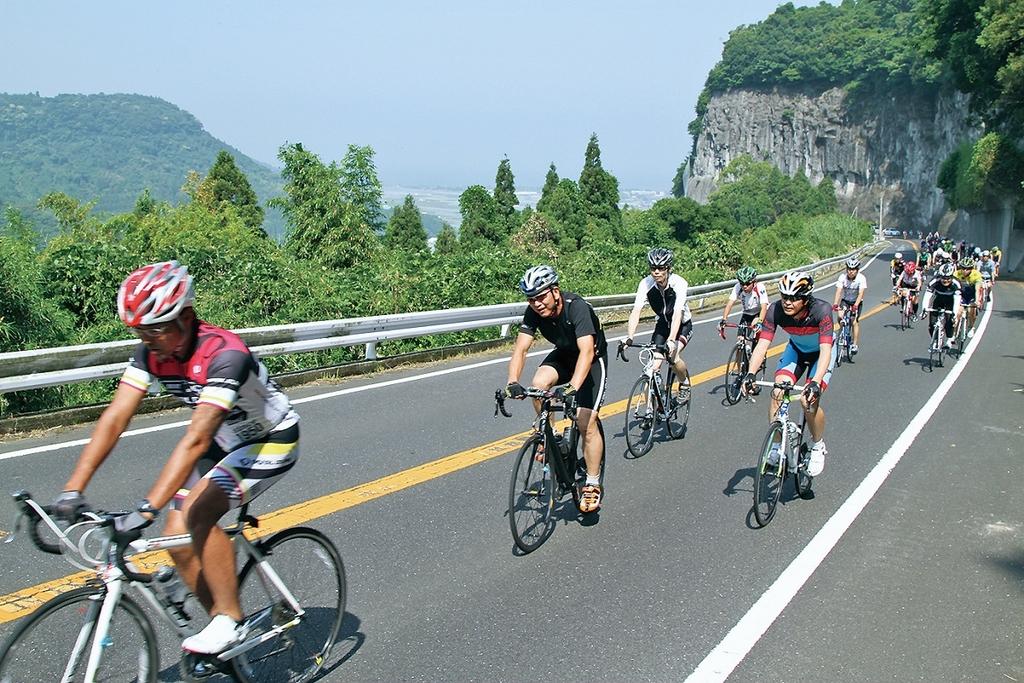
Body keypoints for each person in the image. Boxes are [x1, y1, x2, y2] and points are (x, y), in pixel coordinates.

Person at [54, 261, 300, 655]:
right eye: (138, 331)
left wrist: (146, 510)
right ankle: (222, 630)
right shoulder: (152, 353)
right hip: (226, 442)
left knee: (195, 515)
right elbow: (116, 417)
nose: (147, 340)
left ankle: (230, 622)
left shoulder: (224, 354)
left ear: (185, 317)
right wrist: (72, 489)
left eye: (155, 329)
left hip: (271, 440)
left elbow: (195, 439)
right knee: (176, 537)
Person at [505, 265, 608, 513]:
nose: (537, 304)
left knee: (586, 422)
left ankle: (592, 484)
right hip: (564, 355)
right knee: (537, 386)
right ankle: (551, 436)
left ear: (555, 291)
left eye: (541, 296)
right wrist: (511, 382)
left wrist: (572, 387)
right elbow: (521, 349)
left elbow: (585, 352)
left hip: (591, 361)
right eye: (531, 299)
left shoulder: (577, 307)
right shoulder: (534, 313)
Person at [743, 271, 835, 477]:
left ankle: (818, 445)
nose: (788, 302)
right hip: (796, 350)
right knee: (777, 392)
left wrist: (816, 382)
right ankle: (776, 447)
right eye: (785, 296)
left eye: (794, 298)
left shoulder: (822, 310)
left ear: (806, 298)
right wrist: (750, 373)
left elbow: (827, 351)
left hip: (821, 354)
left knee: (808, 401)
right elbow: (762, 346)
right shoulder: (775, 310)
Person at [626, 248, 693, 386]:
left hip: (682, 325)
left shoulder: (679, 283)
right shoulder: (646, 283)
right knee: (651, 368)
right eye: (653, 268)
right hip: (662, 325)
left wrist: (671, 340)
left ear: (668, 268)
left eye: (661, 268)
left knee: (672, 357)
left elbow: (677, 313)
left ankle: (684, 382)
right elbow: (636, 311)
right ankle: (652, 406)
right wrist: (629, 337)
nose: (656, 272)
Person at [718, 265, 768, 341]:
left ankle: (757, 346)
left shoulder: (760, 287)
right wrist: (724, 320)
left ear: (754, 282)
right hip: (747, 313)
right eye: (742, 283)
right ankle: (741, 350)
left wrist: (760, 322)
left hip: (759, 313)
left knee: (756, 328)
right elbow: (730, 304)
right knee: (740, 339)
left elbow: (764, 307)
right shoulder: (737, 287)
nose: (744, 286)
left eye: (748, 284)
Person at [921, 263, 962, 349]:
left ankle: (949, 339)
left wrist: (954, 313)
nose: (945, 280)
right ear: (940, 276)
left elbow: (957, 300)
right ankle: (935, 340)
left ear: (952, 277)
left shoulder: (956, 283)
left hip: (951, 302)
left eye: (948, 278)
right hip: (938, 301)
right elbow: (927, 295)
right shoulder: (934, 281)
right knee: (932, 324)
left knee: (949, 321)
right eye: (943, 278)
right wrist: (924, 309)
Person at [832, 257, 867, 355]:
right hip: (846, 301)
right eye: (849, 269)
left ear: (857, 270)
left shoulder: (861, 278)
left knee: (853, 320)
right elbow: (839, 291)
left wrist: (856, 305)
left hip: (857, 302)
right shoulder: (842, 277)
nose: (851, 272)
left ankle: (854, 344)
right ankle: (843, 330)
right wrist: (835, 303)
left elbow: (861, 293)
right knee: (840, 316)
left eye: (853, 270)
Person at [954, 257, 982, 337]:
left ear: (971, 268)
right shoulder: (956, 274)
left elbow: (977, 290)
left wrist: (977, 301)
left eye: (968, 268)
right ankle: (953, 335)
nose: (965, 270)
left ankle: (971, 327)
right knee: (958, 312)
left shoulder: (976, 275)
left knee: (971, 310)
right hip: (961, 294)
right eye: (963, 268)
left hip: (971, 294)